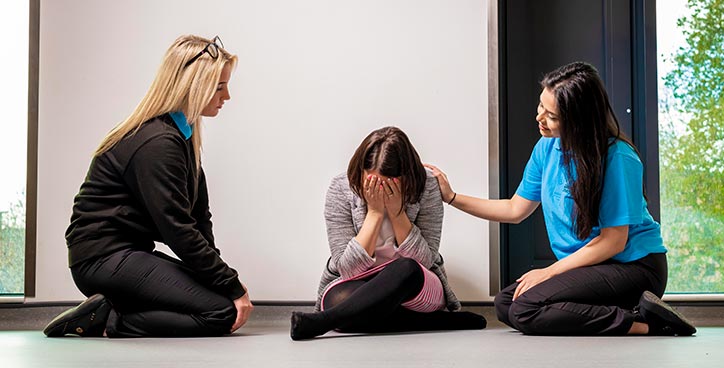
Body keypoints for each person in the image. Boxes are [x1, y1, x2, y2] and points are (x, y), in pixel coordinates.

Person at [425, 62, 696, 336]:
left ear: (579, 119)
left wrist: (549, 272)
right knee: (507, 303)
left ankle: (646, 325)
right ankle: (633, 314)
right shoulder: (547, 148)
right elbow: (514, 209)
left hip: (635, 268)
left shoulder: (618, 158)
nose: (539, 118)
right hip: (592, 267)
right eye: (540, 106)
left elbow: (614, 240)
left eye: (551, 115)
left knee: (526, 308)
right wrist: (452, 197)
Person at [43, 35, 253, 338]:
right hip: (102, 259)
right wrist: (229, 284)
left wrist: (222, 279)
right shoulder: (158, 143)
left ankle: (108, 311)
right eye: (220, 87)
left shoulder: (182, 139)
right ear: (193, 86)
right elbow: (177, 229)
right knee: (219, 312)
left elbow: (199, 221)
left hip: (127, 255)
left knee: (222, 300)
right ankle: (108, 321)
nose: (227, 96)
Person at [290, 127, 487, 340]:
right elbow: (346, 269)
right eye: (372, 182)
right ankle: (431, 322)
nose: (379, 190)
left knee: (406, 268)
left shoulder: (427, 186)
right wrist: (374, 214)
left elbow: (424, 260)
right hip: (358, 282)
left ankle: (324, 322)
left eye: (387, 184)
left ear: (406, 177)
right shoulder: (341, 188)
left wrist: (397, 213)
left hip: (414, 284)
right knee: (338, 302)